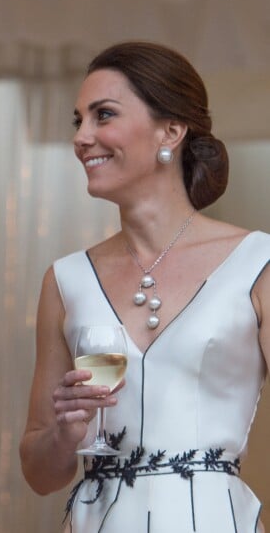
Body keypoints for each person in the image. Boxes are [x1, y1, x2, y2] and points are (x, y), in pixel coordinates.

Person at [19, 41, 269, 532]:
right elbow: (39, 473)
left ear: (171, 131)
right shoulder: (66, 280)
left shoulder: (257, 263)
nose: (82, 137)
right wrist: (65, 434)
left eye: (103, 115)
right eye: (78, 121)